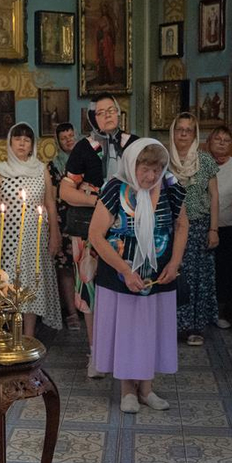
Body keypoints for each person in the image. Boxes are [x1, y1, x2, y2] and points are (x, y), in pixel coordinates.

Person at [88, 139, 188, 413]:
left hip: (158, 274)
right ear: (132, 165)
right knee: (128, 331)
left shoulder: (169, 187)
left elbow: (181, 226)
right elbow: (96, 235)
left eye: (156, 169)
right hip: (121, 275)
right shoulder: (114, 188)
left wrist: (176, 263)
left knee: (151, 329)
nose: (151, 176)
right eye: (145, 169)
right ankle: (127, 391)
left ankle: (147, 388)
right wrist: (125, 270)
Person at [60, 95, 138, 377]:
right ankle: (96, 354)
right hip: (89, 230)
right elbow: (65, 191)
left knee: (123, 286)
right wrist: (100, 202)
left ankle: (124, 353)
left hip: (128, 232)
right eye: (100, 112)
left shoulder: (133, 144)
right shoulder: (84, 147)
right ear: (93, 119)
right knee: (90, 290)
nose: (107, 116)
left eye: (111, 110)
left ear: (119, 113)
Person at [0, 123, 61, 337]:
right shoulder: (0, 170)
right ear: (10, 142)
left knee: (32, 283)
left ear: (32, 146)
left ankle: (28, 335)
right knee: (8, 284)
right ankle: (8, 333)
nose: (22, 142)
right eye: (17, 138)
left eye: (27, 140)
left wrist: (55, 234)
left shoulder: (41, 169)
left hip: (35, 238)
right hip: (7, 239)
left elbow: (50, 204)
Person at [168, 113, 219, 346]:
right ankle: (172, 325)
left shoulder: (205, 160)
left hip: (199, 227)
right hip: (171, 229)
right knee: (175, 275)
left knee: (198, 279)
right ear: (173, 132)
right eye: (180, 129)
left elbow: (214, 196)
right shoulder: (164, 159)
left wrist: (213, 229)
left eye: (189, 130)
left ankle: (195, 328)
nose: (184, 134)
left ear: (195, 133)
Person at [206, 126, 232, 329]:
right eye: (218, 139)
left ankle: (221, 312)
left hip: (231, 228)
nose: (222, 143)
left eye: (227, 140)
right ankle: (204, 312)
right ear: (208, 142)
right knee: (206, 270)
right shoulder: (202, 163)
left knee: (226, 270)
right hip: (206, 227)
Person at [48, 122, 81, 330]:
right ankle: (71, 312)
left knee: (87, 266)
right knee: (66, 268)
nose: (69, 140)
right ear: (58, 142)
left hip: (87, 220)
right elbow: (51, 198)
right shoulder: (54, 165)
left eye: (71, 135)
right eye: (64, 137)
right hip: (64, 220)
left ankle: (89, 308)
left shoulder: (88, 159)